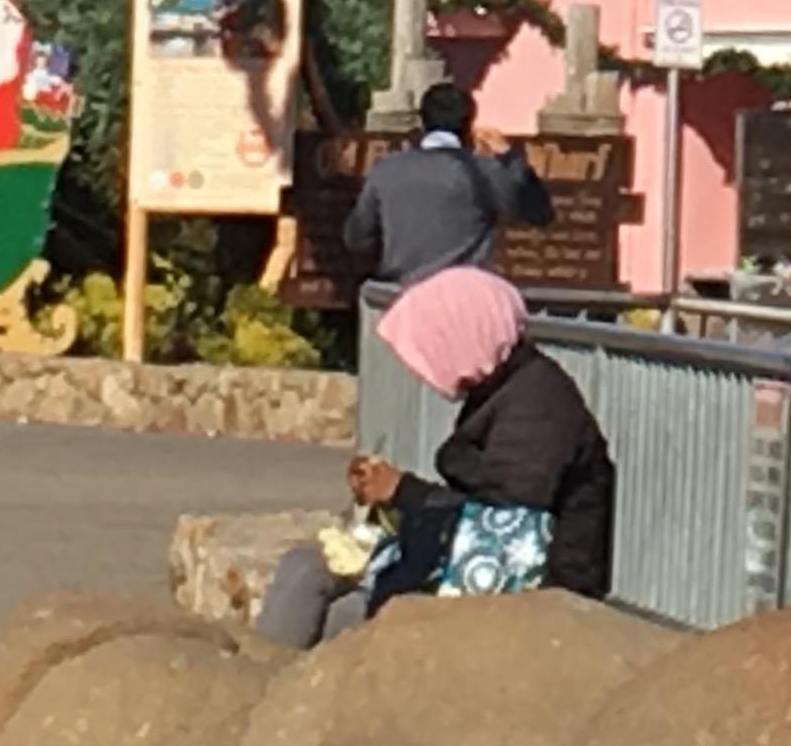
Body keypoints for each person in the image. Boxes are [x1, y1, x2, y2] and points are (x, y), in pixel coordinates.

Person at [255, 267, 617, 645]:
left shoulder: (538, 407)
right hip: (471, 565)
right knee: (305, 568)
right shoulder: (507, 390)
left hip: (532, 594)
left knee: (342, 617)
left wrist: (403, 492)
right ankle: (263, 681)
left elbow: (505, 516)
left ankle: (268, 682)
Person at [344, 83, 551, 288]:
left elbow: (358, 237)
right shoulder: (485, 171)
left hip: (402, 292)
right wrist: (509, 156)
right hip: (464, 295)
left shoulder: (388, 169)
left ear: (423, 120)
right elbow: (538, 212)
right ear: (469, 124)